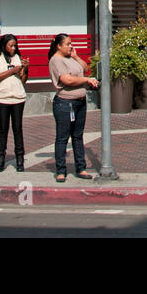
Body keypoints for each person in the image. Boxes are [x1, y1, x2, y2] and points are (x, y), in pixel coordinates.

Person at [47, 33, 99, 182]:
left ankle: (81, 168)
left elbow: (85, 68)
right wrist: (87, 80)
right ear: (59, 46)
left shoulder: (70, 58)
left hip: (80, 102)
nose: (71, 46)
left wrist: (75, 56)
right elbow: (67, 80)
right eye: (68, 44)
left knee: (78, 136)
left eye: (71, 43)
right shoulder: (56, 60)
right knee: (63, 137)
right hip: (65, 103)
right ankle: (61, 171)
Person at [0, 34, 29, 172]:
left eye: (15, 45)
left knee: (18, 129)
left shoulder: (17, 58)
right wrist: (12, 70)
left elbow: (23, 80)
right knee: (3, 129)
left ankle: (20, 159)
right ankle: (0, 159)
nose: (13, 48)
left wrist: (25, 69)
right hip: (2, 98)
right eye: (10, 45)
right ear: (4, 45)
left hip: (18, 97)